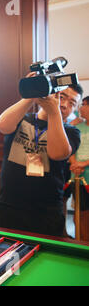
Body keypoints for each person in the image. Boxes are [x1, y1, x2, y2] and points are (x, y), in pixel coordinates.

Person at [0, 77, 82, 237]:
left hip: (47, 210)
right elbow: (2, 125)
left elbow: (57, 153)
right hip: (10, 204)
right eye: (61, 97)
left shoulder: (71, 131)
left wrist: (54, 111)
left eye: (72, 103)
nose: (64, 105)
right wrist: (32, 93)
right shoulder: (22, 118)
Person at [69, 95, 89, 240]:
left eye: (84, 104)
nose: (80, 108)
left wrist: (84, 164)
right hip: (76, 175)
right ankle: (80, 243)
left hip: (86, 172)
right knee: (79, 212)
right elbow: (70, 147)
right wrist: (74, 162)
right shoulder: (77, 126)